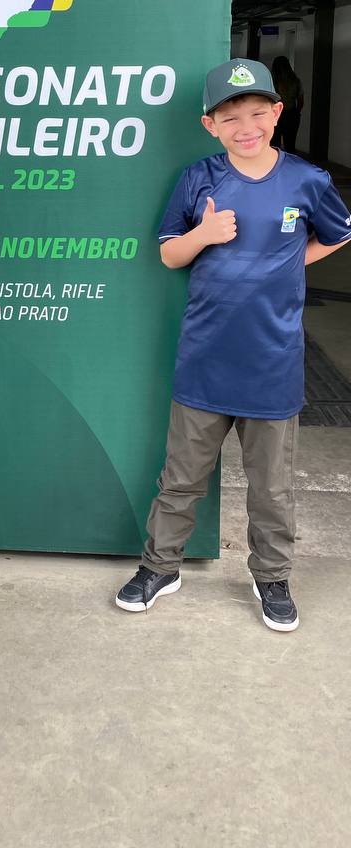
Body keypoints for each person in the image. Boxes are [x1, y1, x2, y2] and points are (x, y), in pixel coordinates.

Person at [115, 58, 351, 633]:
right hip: (205, 357)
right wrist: (204, 234)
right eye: (230, 117)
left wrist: (289, 263)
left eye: (256, 113)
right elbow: (169, 253)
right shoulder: (198, 178)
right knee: (181, 478)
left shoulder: (307, 181)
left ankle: (272, 576)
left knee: (272, 487)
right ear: (210, 125)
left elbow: (338, 234)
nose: (246, 127)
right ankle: (160, 566)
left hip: (273, 362)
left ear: (277, 112)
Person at [270, 55, 304, 154]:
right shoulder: (295, 81)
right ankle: (290, 162)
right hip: (292, 114)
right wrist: (296, 112)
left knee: (274, 144)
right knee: (290, 145)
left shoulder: (272, 82)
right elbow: (301, 101)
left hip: (275, 115)